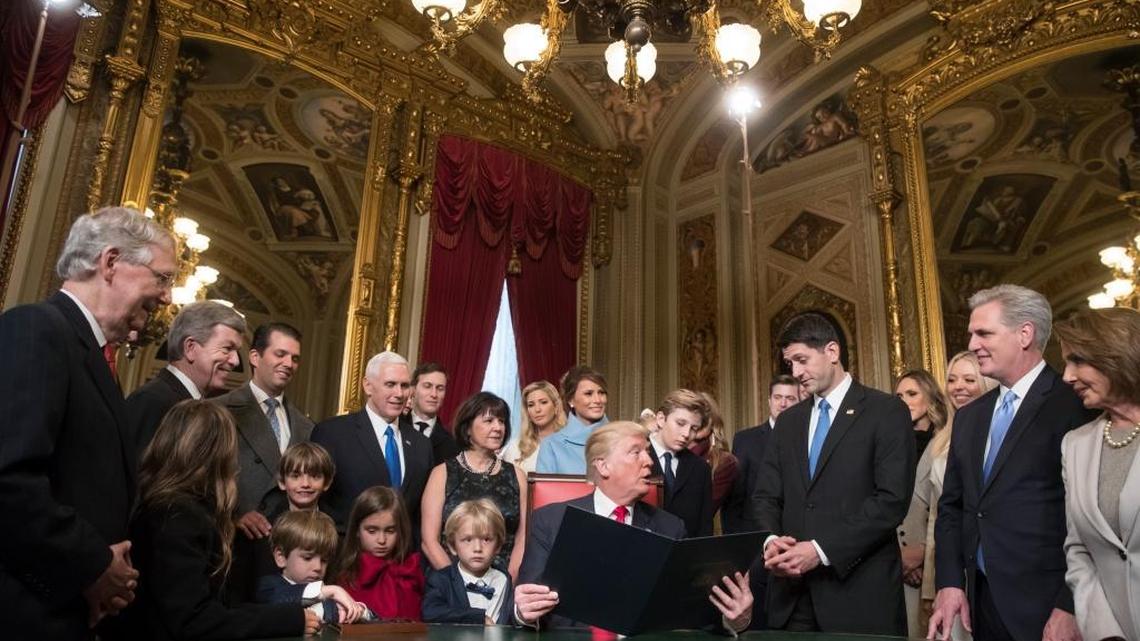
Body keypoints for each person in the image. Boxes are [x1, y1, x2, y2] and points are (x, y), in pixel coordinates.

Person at [0, 207, 175, 637]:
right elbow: (9, 478)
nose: (168, 297)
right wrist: (94, 566)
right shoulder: (38, 329)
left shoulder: (93, 357)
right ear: (111, 262)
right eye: (163, 277)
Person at [930, 284, 1094, 641]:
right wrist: (949, 582)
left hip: (1049, 605)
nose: (972, 344)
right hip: (981, 602)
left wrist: (1070, 604)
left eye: (984, 333)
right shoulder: (971, 416)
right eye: (972, 333)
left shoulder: (1073, 405)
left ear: (1024, 334)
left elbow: (1085, 517)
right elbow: (952, 507)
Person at [754, 312, 915, 634]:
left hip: (860, 596)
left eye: (802, 360)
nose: (796, 373)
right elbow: (765, 495)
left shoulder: (885, 411)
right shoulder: (788, 423)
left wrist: (819, 550)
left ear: (832, 352)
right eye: (790, 365)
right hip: (792, 598)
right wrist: (771, 540)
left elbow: (891, 501)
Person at [514, 421, 753, 632]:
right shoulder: (551, 520)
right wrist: (523, 613)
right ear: (603, 466)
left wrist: (734, 619)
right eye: (635, 452)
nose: (649, 462)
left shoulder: (671, 528)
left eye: (647, 453)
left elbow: (693, 614)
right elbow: (525, 607)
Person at [121, 400, 316, 639]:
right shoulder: (179, 517)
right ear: (216, 455)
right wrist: (289, 619)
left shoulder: (167, 506)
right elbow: (194, 620)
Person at [1055, 308, 1140, 640]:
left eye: (1077, 360)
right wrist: (1106, 633)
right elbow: (1078, 548)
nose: (1067, 376)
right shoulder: (1076, 445)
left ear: (1118, 355)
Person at [899, 353, 994, 640]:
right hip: (950, 567)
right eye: (952, 379)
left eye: (968, 379)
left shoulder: (1000, 433)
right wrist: (933, 579)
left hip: (988, 563)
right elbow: (937, 516)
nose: (958, 387)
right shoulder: (941, 441)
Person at [311, 351, 433, 534]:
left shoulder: (421, 445)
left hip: (402, 558)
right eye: (390, 384)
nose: (399, 393)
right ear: (368, 386)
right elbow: (316, 501)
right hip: (346, 554)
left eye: (405, 385)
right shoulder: (332, 434)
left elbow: (419, 515)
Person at [215, 322, 314, 539]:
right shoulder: (218, 410)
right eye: (280, 354)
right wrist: (233, 517)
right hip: (233, 544)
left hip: (286, 546)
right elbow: (200, 480)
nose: (288, 363)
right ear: (254, 357)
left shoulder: (307, 427)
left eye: (295, 358)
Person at [724, 374, 802, 630]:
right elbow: (735, 501)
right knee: (755, 624)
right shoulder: (745, 439)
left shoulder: (807, 438)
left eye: (790, 398)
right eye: (778, 397)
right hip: (755, 548)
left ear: (801, 400)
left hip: (797, 546)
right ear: (769, 401)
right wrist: (738, 553)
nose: (783, 404)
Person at [421, 392, 528, 578]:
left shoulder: (517, 475)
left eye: (501, 421)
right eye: (489, 421)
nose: (498, 428)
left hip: (503, 583)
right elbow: (429, 541)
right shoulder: (442, 473)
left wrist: (507, 582)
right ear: (468, 428)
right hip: (450, 583)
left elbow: (523, 538)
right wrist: (458, 584)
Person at [127, 300, 246, 455]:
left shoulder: (186, 403)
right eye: (227, 348)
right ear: (190, 348)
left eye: (236, 351)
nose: (235, 361)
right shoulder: (152, 401)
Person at [230, 441, 336, 603]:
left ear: (326, 482)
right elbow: (244, 594)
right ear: (281, 481)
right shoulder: (259, 529)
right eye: (295, 476)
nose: (305, 484)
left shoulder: (339, 527)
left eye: (315, 476)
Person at [893, 369, 950, 637]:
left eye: (912, 394)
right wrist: (900, 559)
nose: (903, 400)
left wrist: (924, 556)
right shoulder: (889, 444)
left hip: (939, 567)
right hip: (896, 566)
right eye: (899, 395)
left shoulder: (948, 441)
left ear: (931, 399)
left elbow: (952, 508)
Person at [256, 510, 365, 625]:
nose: (318, 567)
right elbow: (279, 599)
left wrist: (357, 611)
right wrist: (333, 591)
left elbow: (374, 617)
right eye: (307, 558)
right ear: (281, 557)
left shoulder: (328, 595)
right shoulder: (267, 587)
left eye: (324, 560)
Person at [335, 486, 424, 620]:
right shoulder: (347, 577)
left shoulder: (412, 570)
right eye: (372, 531)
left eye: (390, 531)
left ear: (401, 531)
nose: (382, 540)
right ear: (357, 530)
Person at [422, 498, 515, 625]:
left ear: (498, 546)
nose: (477, 548)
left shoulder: (504, 579)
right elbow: (430, 612)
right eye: (468, 540)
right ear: (453, 546)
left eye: (486, 539)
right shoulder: (441, 579)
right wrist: (477, 618)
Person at [649, 388, 715, 538]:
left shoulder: (700, 469)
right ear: (661, 419)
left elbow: (704, 528)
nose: (686, 434)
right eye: (680, 423)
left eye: (694, 428)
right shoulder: (634, 454)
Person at [536, 366, 610, 474]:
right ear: (571, 399)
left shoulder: (624, 438)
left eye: (601, 393)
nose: (598, 400)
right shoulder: (551, 445)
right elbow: (545, 490)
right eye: (588, 394)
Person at [691, 392, 741, 517]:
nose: (696, 422)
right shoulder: (668, 453)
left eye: (702, 416)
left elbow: (702, 511)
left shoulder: (725, 462)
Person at [500, 380, 567, 473]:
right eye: (531, 405)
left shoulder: (571, 443)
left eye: (543, 402)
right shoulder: (515, 447)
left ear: (556, 407)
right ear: (527, 412)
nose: (537, 409)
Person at [400, 362, 459, 466]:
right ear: (413, 390)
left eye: (440, 388)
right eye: (427, 386)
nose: (434, 394)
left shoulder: (452, 443)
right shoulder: (395, 426)